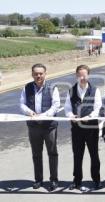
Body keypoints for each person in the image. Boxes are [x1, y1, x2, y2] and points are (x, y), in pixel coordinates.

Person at [20, 63, 60, 191]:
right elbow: (22, 104)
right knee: (36, 154)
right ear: (32, 74)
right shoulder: (26, 88)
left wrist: (43, 115)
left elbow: (56, 105)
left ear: (45, 74)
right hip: (33, 127)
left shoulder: (52, 87)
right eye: (36, 73)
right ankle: (38, 179)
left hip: (49, 127)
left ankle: (53, 180)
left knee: (52, 153)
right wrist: (29, 112)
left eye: (41, 73)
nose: (38, 76)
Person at [64, 64, 102, 190]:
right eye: (79, 75)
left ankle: (96, 179)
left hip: (91, 128)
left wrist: (90, 116)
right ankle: (77, 180)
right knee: (77, 155)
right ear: (76, 76)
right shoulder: (71, 90)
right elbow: (67, 108)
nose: (82, 77)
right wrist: (70, 115)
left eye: (84, 75)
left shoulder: (95, 90)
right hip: (77, 129)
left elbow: (98, 107)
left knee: (94, 155)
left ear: (88, 75)